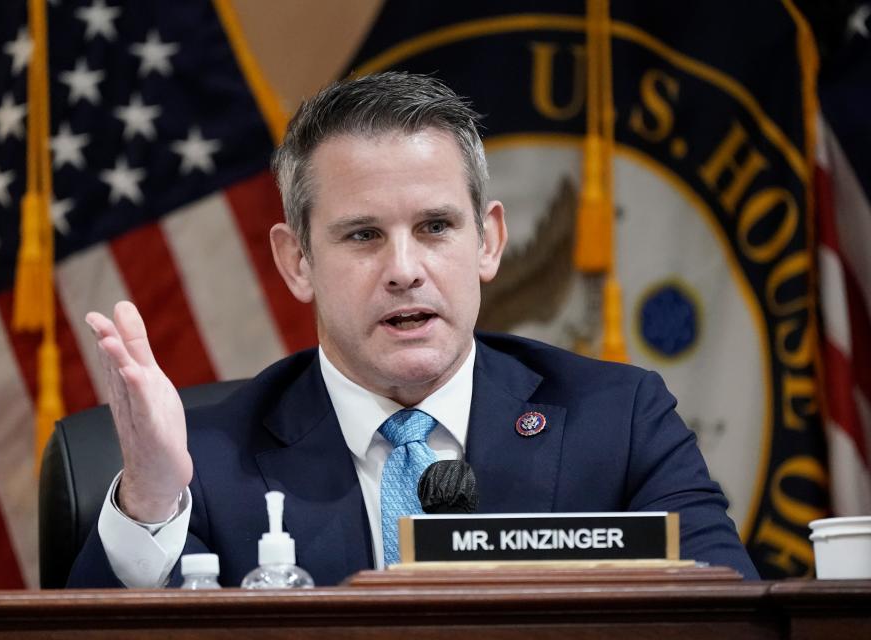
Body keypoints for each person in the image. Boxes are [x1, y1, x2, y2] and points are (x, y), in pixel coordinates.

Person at [68, 72, 759, 588]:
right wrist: (152, 500)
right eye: (363, 235)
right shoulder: (209, 463)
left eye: (435, 227)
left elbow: (733, 621)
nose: (405, 270)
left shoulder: (618, 422)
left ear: (488, 242)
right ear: (296, 261)